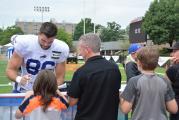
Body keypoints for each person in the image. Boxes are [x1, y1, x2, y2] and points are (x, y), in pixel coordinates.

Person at [67, 33, 121, 120]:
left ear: (87, 50)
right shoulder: (114, 68)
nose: (80, 53)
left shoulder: (81, 72)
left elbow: (72, 101)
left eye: (80, 49)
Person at [6, 22, 69, 93]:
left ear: (55, 38)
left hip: (46, 93)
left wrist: (52, 89)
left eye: (50, 42)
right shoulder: (25, 43)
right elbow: (10, 70)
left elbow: (60, 77)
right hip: (24, 90)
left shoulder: (61, 48)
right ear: (38, 34)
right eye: (43, 40)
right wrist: (19, 79)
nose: (46, 44)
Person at [120, 46, 178, 120]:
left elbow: (125, 109)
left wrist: (121, 97)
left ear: (139, 62)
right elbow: (173, 109)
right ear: (157, 63)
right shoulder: (164, 81)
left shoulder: (134, 81)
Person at [166, 42, 179, 120]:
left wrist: (171, 66)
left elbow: (165, 85)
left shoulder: (174, 69)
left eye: (174, 51)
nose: (172, 54)